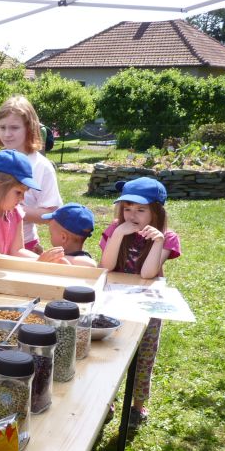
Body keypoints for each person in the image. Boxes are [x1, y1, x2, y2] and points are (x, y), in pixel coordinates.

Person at [99, 178, 181, 426]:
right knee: (109, 352)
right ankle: (107, 399)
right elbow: (106, 266)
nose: (132, 215)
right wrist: (118, 234)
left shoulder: (167, 237)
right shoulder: (116, 229)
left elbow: (147, 274)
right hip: (114, 302)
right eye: (127, 208)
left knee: (144, 357)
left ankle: (137, 406)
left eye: (141, 210)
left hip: (146, 308)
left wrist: (157, 242)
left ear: (156, 212)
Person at [0, 95, 62, 254]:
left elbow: (52, 214)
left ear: (29, 128)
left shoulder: (42, 166)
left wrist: (15, 209)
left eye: (14, 128)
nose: (7, 134)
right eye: (2, 127)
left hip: (23, 244)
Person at [0, 150, 66, 263]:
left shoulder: (15, 213)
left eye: (24, 193)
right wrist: (38, 262)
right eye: (18, 192)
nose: (22, 198)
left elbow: (17, 251)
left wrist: (48, 259)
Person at [41, 203, 98, 267]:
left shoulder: (83, 260)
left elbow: (91, 264)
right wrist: (42, 255)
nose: (50, 237)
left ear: (63, 237)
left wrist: (54, 258)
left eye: (51, 234)